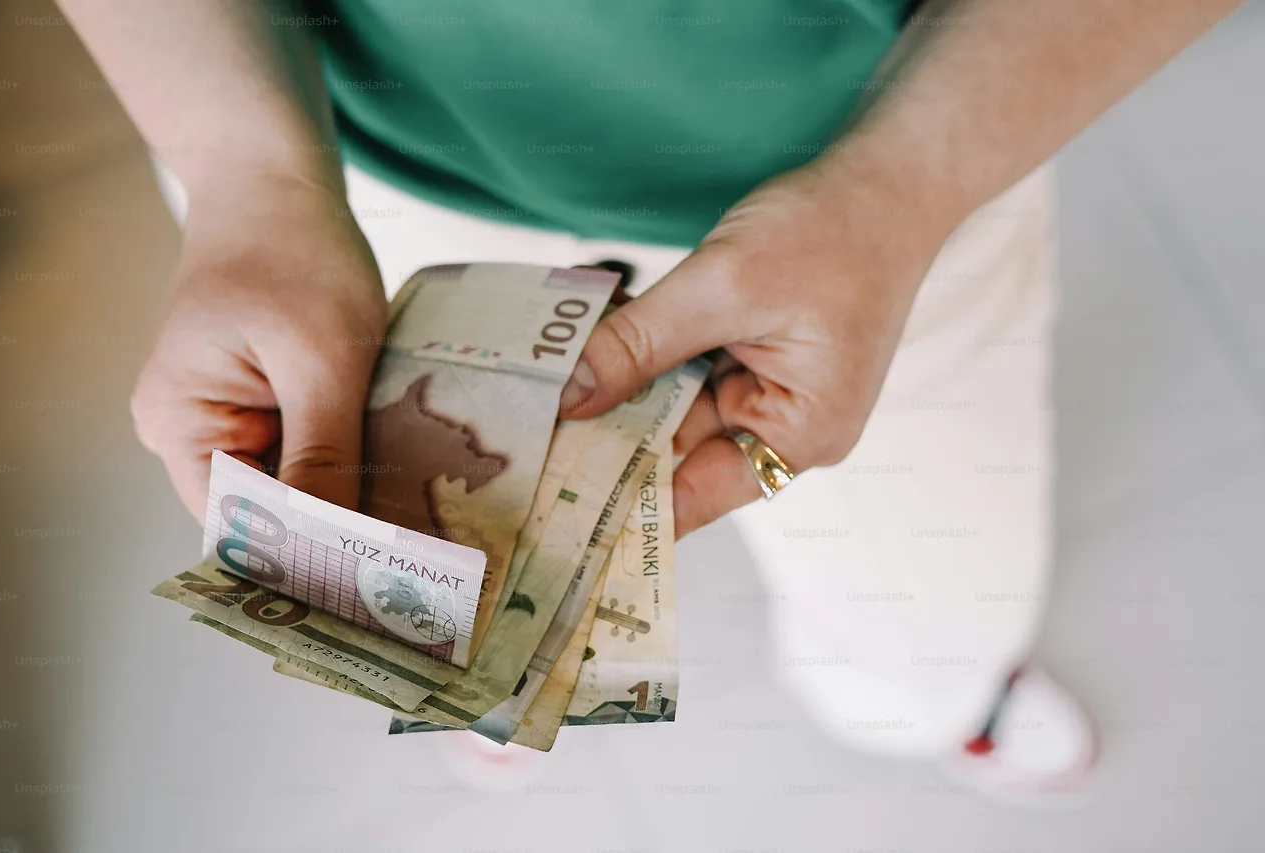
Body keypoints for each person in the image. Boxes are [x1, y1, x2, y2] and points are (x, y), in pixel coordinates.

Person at [60, 0, 1242, 804]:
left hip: (906, 145)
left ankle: (932, 690)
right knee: (457, 557)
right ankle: (504, 685)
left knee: (929, 560)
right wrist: (244, 175)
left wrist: (904, 189)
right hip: (329, 160)